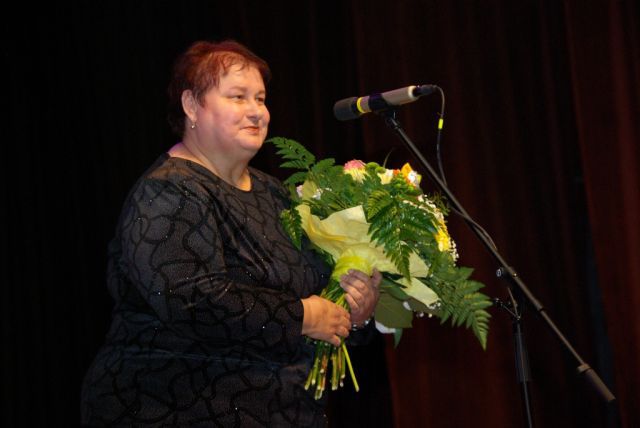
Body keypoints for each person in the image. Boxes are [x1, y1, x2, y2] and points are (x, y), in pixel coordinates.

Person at [80, 39, 381, 427]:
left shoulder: (274, 193)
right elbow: (191, 300)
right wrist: (302, 315)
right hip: (175, 406)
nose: (256, 111)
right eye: (238, 97)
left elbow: (318, 295)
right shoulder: (169, 189)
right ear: (192, 105)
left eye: (261, 99)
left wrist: (355, 310)